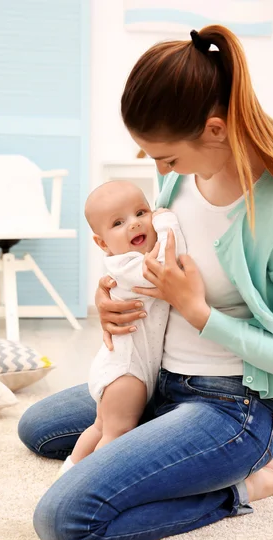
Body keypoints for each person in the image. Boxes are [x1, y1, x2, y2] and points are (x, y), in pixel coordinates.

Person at [18, 25, 273, 540]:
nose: (157, 172)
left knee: (65, 520)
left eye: (166, 158)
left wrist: (199, 313)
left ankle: (243, 487)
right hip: (160, 381)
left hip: (235, 409)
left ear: (215, 130)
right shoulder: (180, 183)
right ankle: (170, 442)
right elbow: (146, 263)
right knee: (39, 427)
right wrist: (110, 297)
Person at [56, 180, 186, 479]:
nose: (134, 224)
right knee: (117, 432)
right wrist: (166, 222)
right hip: (128, 372)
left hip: (119, 365)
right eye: (118, 222)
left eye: (141, 212)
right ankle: (93, 483)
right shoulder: (130, 265)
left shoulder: (125, 263)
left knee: (100, 426)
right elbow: (168, 263)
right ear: (102, 243)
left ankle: (69, 474)